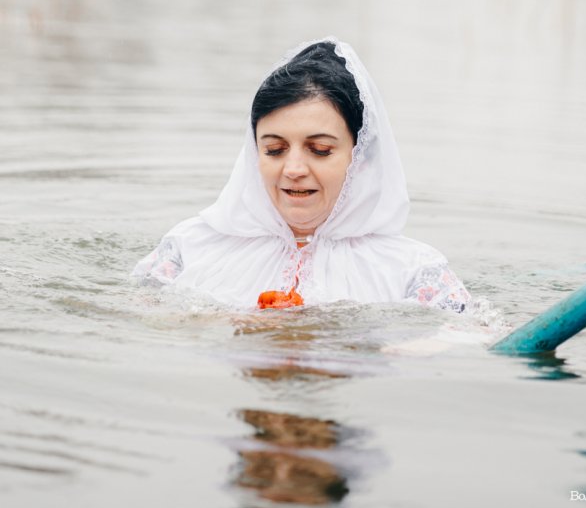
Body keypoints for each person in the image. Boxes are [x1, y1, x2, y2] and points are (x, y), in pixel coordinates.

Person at [132, 37, 470, 311]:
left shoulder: (411, 271)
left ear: (361, 158)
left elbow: (468, 336)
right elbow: (135, 318)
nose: (293, 170)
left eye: (320, 150)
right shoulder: (190, 247)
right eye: (274, 150)